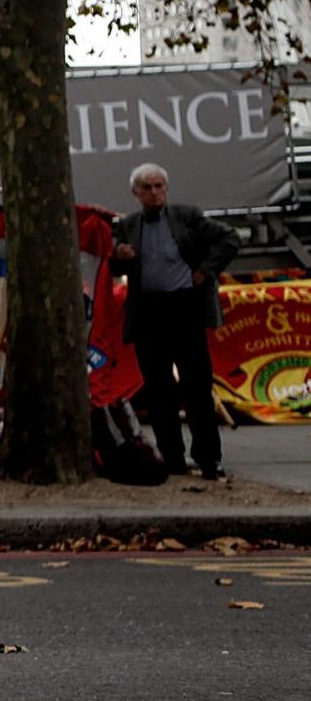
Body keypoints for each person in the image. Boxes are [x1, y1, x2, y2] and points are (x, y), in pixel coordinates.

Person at [111, 163, 241, 481]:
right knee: (159, 391)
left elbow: (230, 239)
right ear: (136, 193)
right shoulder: (128, 225)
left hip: (185, 308)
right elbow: (111, 262)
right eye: (147, 188)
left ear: (166, 189)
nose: (154, 193)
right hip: (149, 313)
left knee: (197, 387)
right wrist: (119, 256)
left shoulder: (187, 216)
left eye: (159, 187)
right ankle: (172, 458)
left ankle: (209, 458)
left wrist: (206, 270)